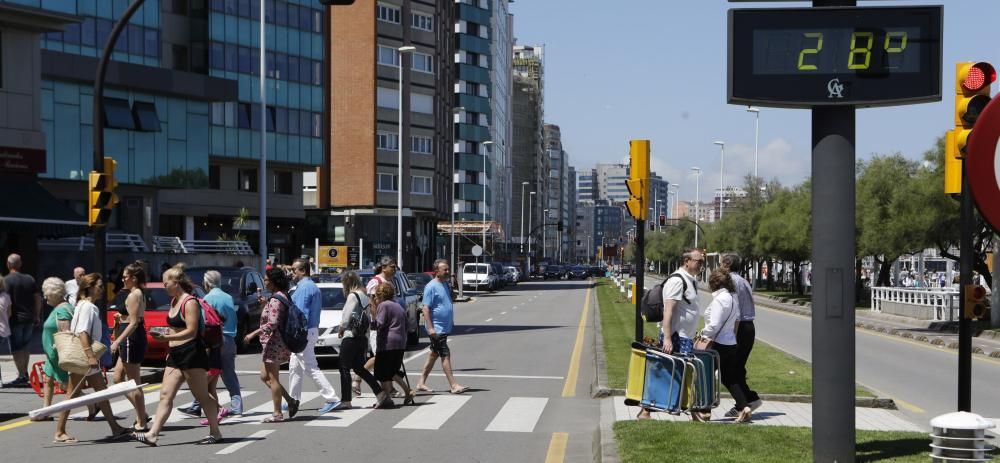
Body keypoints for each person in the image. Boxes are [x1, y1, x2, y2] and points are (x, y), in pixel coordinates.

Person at [134, 265, 223, 446]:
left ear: (176, 282)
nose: (164, 285)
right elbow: (176, 327)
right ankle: (153, 434)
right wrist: (167, 340)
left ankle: (216, 431)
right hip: (175, 354)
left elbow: (191, 331)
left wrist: (167, 337)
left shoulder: (189, 302)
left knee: (202, 396)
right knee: (165, 394)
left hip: (191, 353)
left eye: (166, 282)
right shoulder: (174, 301)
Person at [54, 273, 131, 443]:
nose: (103, 289)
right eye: (100, 286)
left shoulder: (82, 305)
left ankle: (115, 427)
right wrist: (90, 356)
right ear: (90, 287)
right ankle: (59, 431)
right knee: (71, 394)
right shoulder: (88, 307)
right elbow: (82, 332)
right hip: (84, 356)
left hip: (85, 356)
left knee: (101, 393)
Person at [637, 248, 702, 421]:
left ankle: (691, 410)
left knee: (682, 372)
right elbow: (668, 311)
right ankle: (645, 411)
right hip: (675, 337)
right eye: (698, 261)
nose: (700, 264)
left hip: (684, 336)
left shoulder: (691, 280)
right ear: (686, 261)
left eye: (701, 261)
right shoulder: (677, 280)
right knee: (663, 372)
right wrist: (667, 338)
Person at [697, 268, 751, 423]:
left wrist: (703, 333)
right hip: (730, 342)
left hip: (717, 343)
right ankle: (744, 406)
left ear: (714, 283)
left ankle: (704, 411)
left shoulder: (720, 300)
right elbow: (737, 320)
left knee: (705, 376)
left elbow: (713, 325)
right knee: (729, 378)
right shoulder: (733, 298)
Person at [244, 267, 297, 423]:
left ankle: (277, 413)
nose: (264, 282)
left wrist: (253, 333)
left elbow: (272, 323)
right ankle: (291, 401)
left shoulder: (275, 299)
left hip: (274, 342)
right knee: (264, 376)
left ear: (273, 282)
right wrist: (265, 305)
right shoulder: (281, 296)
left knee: (273, 378)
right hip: (275, 342)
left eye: (266, 280)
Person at [288, 258, 340, 414]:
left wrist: (295, 334)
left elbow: (300, 313)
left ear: (303, 271)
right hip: (309, 330)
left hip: (303, 331)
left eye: (294, 270)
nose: (291, 273)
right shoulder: (310, 287)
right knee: (294, 367)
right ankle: (293, 399)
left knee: (310, 367)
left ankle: (332, 398)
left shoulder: (304, 288)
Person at [416, 259, 469, 395]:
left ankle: (421, 382)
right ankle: (453, 385)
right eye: (444, 270)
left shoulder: (445, 284)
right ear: (436, 271)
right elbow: (425, 309)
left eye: (447, 269)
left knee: (433, 354)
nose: (447, 272)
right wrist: (431, 328)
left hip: (444, 326)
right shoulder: (431, 286)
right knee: (445, 354)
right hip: (437, 328)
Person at [720, 254, 763, 419]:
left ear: (727, 265)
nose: (720, 267)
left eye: (721, 263)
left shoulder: (730, 281)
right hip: (748, 327)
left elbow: (735, 309)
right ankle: (748, 400)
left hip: (739, 328)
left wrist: (731, 334)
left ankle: (744, 403)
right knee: (737, 368)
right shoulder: (744, 280)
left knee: (728, 369)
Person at [110, 261, 150, 431]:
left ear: (134, 278)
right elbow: (134, 318)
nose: (123, 279)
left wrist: (117, 341)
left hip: (131, 339)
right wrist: (121, 317)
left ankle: (142, 420)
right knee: (117, 378)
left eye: (125, 277)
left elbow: (134, 322)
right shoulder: (136, 293)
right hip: (131, 336)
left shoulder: (134, 295)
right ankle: (142, 413)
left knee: (133, 382)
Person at [336, 271, 384, 409]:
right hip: (362, 337)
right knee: (359, 368)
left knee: (344, 367)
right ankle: (380, 392)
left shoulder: (352, 296)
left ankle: (346, 400)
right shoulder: (364, 295)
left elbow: (346, 318)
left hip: (351, 336)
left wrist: (341, 330)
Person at [34, 278, 72, 422]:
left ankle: (93, 404)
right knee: (48, 379)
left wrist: (60, 347)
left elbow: (65, 331)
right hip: (53, 354)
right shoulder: (60, 308)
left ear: (54, 294)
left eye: (47, 294)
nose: (45, 297)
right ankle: (45, 411)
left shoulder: (62, 309)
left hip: (58, 354)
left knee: (66, 385)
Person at [371, 282, 414, 406]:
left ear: (380, 295)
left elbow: (380, 324)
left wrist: (372, 319)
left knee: (382, 372)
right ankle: (390, 396)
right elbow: (407, 325)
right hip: (400, 342)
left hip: (387, 343)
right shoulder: (398, 305)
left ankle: (390, 396)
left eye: (376, 296)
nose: (375, 299)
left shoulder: (383, 305)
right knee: (391, 371)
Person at [3, 253, 41, 388]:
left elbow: (7, 303)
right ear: (20, 264)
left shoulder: (6, 280)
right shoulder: (29, 279)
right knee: (25, 347)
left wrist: (5, 319)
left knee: (16, 348)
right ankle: (24, 373)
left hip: (15, 320)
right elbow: (37, 297)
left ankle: (21, 375)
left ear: (8, 264)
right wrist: (37, 315)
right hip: (29, 318)